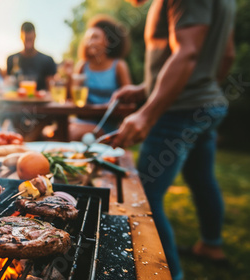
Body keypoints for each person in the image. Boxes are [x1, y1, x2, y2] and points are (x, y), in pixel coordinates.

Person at [111, 1, 236, 279]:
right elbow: (224, 55)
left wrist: (148, 113)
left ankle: (171, 274)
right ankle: (211, 245)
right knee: (202, 179)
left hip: (178, 111)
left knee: (144, 196)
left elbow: (188, 52)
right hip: (204, 105)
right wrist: (148, 88)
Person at [69, 15, 132, 140]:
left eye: (95, 37)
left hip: (107, 123)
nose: (89, 42)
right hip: (84, 121)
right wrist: (69, 77)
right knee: (52, 132)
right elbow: (74, 98)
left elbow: (129, 100)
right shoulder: (82, 66)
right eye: (87, 39)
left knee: (69, 133)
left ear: (107, 40)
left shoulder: (118, 66)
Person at [6, 22, 56, 91]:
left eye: (30, 39)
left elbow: (51, 89)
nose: (28, 43)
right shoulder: (12, 59)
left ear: (35, 36)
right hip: (18, 100)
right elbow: (9, 87)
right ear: (21, 36)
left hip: (41, 100)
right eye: (26, 39)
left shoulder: (47, 60)